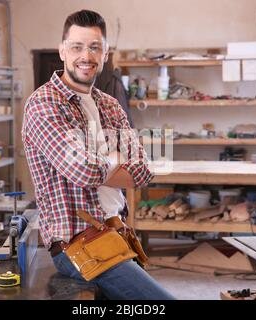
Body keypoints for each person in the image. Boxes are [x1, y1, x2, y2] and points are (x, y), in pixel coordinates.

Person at [22, 9, 176, 300]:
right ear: (62, 51)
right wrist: (117, 157)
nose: (86, 56)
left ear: (105, 54)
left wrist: (101, 163)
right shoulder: (44, 104)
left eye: (95, 47)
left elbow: (143, 172)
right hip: (78, 245)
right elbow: (83, 171)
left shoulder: (109, 105)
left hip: (117, 235)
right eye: (77, 46)